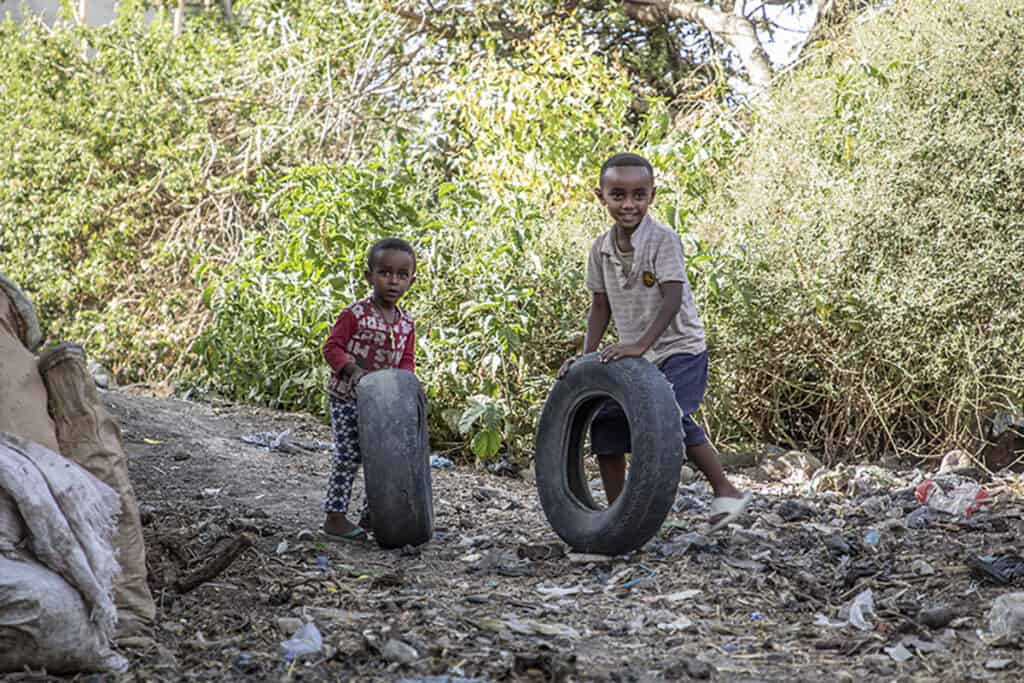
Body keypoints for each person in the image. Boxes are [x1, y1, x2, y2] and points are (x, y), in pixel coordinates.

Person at [558, 153, 751, 532]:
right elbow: (600, 306)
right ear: (601, 197)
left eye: (638, 195)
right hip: (638, 355)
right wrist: (586, 361)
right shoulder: (600, 249)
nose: (628, 204)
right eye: (618, 195)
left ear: (652, 195)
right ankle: (620, 518)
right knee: (607, 425)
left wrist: (639, 346)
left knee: (668, 414)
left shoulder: (663, 240)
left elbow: (672, 299)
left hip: (679, 348)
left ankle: (726, 489)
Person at [321, 238, 417, 541]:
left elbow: (406, 361)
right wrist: (353, 371)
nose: (393, 281)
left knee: (383, 458)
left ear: (412, 280)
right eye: (385, 273)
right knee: (349, 455)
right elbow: (332, 347)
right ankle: (335, 517)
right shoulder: (355, 314)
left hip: (384, 404)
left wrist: (406, 389)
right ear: (369, 276)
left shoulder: (406, 324)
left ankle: (372, 515)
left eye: (402, 275)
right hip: (348, 397)